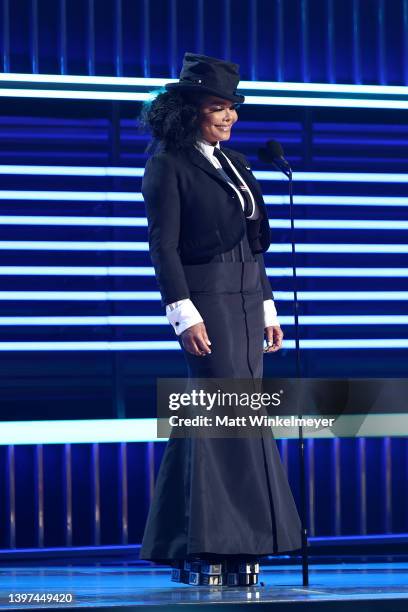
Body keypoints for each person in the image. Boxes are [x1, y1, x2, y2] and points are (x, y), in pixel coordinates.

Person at [138, 52, 301, 587]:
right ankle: (214, 544)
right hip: (206, 297)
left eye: (232, 107)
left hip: (247, 295)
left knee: (233, 418)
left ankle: (210, 543)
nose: (228, 117)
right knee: (219, 417)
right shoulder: (169, 163)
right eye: (217, 107)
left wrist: (268, 305)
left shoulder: (234, 163)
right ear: (188, 111)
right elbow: (162, 248)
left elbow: (252, 243)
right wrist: (183, 313)